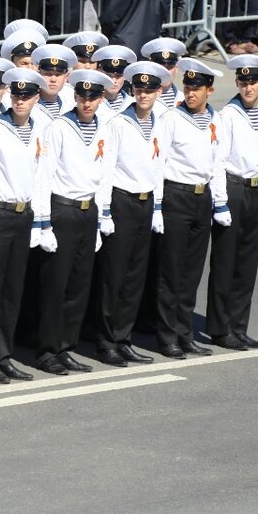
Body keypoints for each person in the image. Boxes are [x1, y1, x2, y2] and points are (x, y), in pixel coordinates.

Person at [33, 71, 114, 375]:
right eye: (82, 97)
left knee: (79, 285)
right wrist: (44, 222)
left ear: (101, 99)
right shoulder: (59, 127)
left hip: (87, 210)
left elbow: (105, 173)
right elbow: (45, 174)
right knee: (56, 284)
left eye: (93, 97)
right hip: (62, 209)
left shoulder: (104, 128)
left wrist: (102, 214)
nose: (87, 102)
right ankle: (47, 350)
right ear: (75, 97)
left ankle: (67, 346)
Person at [0, 67, 47, 384]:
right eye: (15, 94)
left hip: (23, 214)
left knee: (13, 292)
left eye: (26, 95)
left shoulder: (40, 129)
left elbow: (41, 176)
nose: (20, 100)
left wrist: (41, 221)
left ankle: (4, 354)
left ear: (36, 98)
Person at [95, 61, 170, 367]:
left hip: (145, 201)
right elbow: (106, 169)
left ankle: (123, 338)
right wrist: (105, 211)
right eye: (138, 89)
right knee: (114, 276)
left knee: (135, 276)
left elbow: (160, 166)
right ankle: (106, 341)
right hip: (122, 202)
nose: (143, 95)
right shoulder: (117, 123)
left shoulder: (161, 122)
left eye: (150, 90)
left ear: (158, 91)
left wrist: (158, 207)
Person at [154, 57, 224, 360]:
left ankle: (185, 334)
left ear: (210, 90)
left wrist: (219, 202)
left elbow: (218, 163)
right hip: (176, 197)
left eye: (197, 88)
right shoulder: (171, 119)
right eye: (187, 86)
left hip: (201, 197)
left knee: (192, 272)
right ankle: (167, 336)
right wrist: (157, 205)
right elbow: (158, 164)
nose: (190, 92)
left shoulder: (214, 119)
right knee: (172, 271)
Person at [206, 55, 258, 351]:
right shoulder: (228, 115)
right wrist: (220, 201)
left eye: (253, 82)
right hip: (233, 188)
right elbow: (219, 161)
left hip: (256, 189)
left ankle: (239, 326)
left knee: (247, 263)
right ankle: (221, 328)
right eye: (243, 82)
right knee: (225, 262)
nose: (248, 88)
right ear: (237, 83)